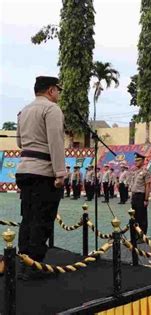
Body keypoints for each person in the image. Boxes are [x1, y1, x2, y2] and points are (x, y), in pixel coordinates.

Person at [15, 76, 66, 280]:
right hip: (43, 171)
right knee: (42, 219)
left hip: (24, 169)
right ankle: (34, 265)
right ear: (51, 90)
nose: (59, 95)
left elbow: (19, 142)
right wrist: (60, 173)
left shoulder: (24, 110)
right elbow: (56, 142)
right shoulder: (51, 109)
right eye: (58, 91)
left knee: (27, 218)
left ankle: (23, 260)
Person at [130, 152, 151, 235]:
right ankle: (136, 234)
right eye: (135, 160)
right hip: (135, 196)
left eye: (138, 160)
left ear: (143, 161)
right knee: (135, 216)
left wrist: (146, 199)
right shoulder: (135, 172)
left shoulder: (146, 172)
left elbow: (147, 186)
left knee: (141, 217)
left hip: (141, 196)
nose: (136, 162)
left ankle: (142, 235)